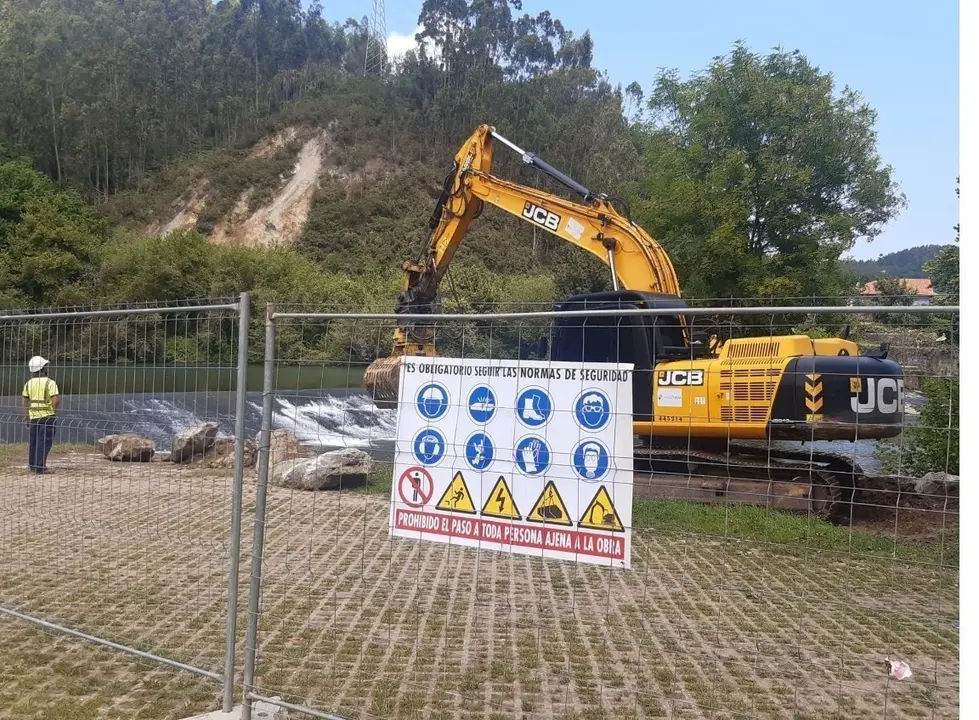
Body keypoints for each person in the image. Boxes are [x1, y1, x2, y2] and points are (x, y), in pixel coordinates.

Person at [21, 355, 59, 474]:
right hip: (47, 416)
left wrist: (27, 416)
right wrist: (52, 409)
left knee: (34, 441)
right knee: (45, 442)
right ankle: (39, 466)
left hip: (34, 417)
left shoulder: (28, 383)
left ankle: (33, 465)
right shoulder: (50, 382)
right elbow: (56, 400)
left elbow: (24, 401)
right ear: (42, 368)